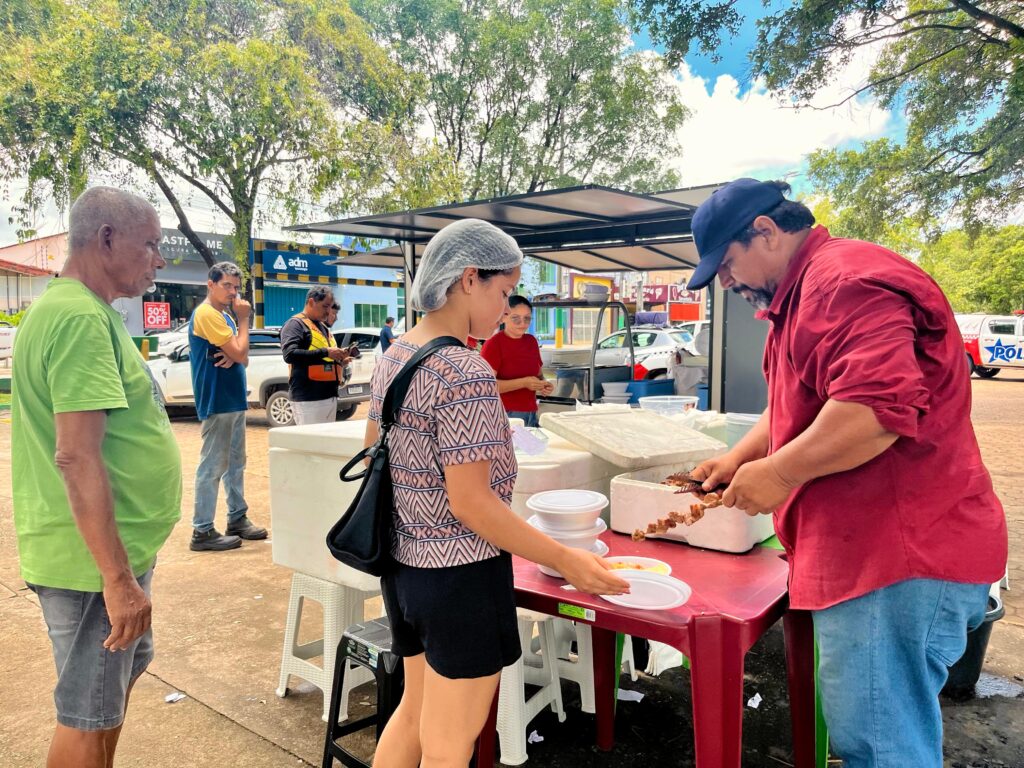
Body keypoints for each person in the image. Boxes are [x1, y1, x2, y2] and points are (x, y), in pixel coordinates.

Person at [685, 178, 1008, 768]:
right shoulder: (798, 299)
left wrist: (779, 474)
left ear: (766, 231)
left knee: (882, 748)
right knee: (878, 735)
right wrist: (740, 458)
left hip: (896, 557)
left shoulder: (841, 282)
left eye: (727, 265)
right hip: (866, 553)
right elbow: (795, 404)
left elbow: (872, 412)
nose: (726, 282)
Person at [366, 218, 629, 767]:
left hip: (402, 567)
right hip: (459, 577)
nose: (506, 306)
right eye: (504, 291)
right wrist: (567, 560)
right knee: (450, 745)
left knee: (413, 711)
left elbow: (374, 454)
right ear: (469, 279)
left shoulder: (396, 354)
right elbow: (472, 504)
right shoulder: (465, 369)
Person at [11, 187, 182, 768]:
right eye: (150, 244)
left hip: (106, 552)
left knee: (103, 704)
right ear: (107, 238)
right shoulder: (79, 318)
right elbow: (77, 457)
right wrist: (116, 578)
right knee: (86, 717)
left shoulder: (81, 310)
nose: (159, 259)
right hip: (92, 564)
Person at [188, 261, 267, 551]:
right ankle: (202, 530)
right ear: (210, 284)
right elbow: (241, 352)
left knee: (236, 463)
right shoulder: (208, 314)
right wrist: (244, 322)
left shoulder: (223, 316)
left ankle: (237, 517)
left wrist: (235, 354)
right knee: (212, 466)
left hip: (232, 399)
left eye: (236, 287)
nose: (233, 292)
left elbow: (242, 357)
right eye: (226, 286)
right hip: (217, 399)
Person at [280, 287, 352, 425]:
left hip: (329, 396)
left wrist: (339, 361)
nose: (328, 311)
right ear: (311, 302)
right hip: (308, 399)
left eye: (330, 307)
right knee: (310, 439)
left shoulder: (322, 327)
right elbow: (289, 354)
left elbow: (322, 358)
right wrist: (326, 352)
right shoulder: (295, 325)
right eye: (325, 306)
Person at [481, 295, 553, 427]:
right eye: (516, 318)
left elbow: (538, 374)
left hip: (531, 412)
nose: (523, 324)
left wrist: (544, 384)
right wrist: (524, 383)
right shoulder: (493, 344)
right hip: (504, 415)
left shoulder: (531, 341)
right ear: (503, 317)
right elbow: (486, 386)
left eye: (527, 318)